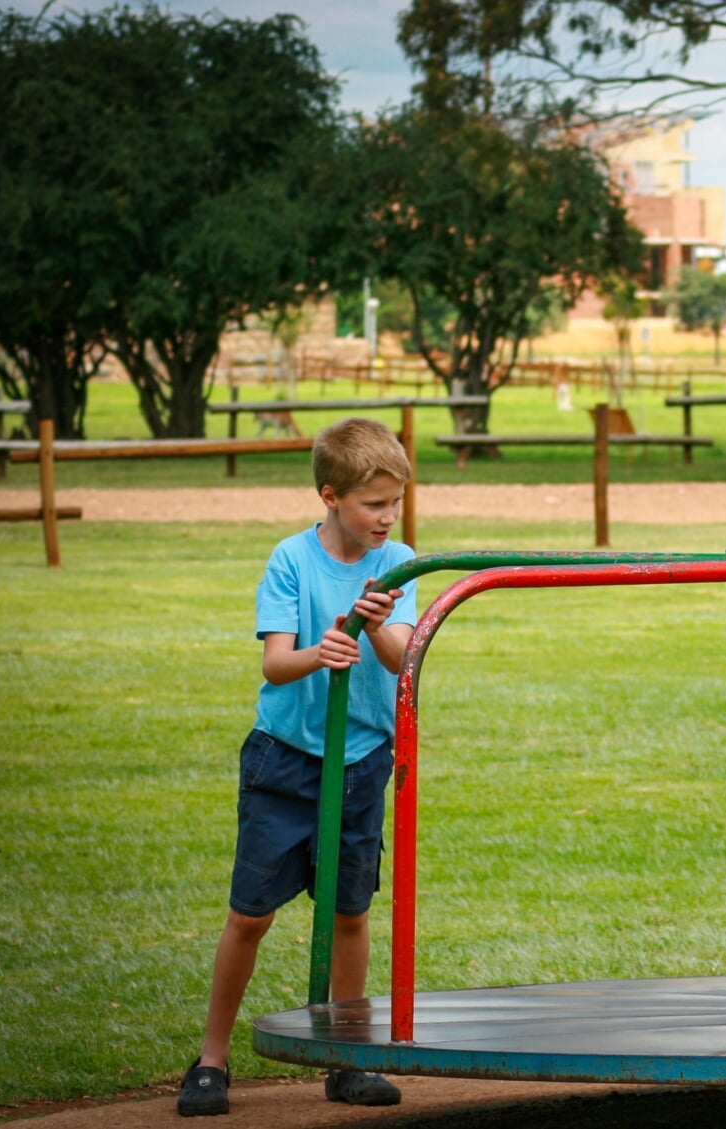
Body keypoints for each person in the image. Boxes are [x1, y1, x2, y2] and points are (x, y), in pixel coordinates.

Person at [178, 418, 419, 1116]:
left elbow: (406, 659)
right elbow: (276, 663)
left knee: (350, 911)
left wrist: (372, 623)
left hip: (363, 757)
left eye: (394, 502)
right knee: (249, 916)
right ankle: (212, 1058)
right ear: (330, 494)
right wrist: (325, 647)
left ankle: (346, 1057)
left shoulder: (398, 558)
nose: (386, 516)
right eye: (373, 503)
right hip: (284, 760)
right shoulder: (290, 558)